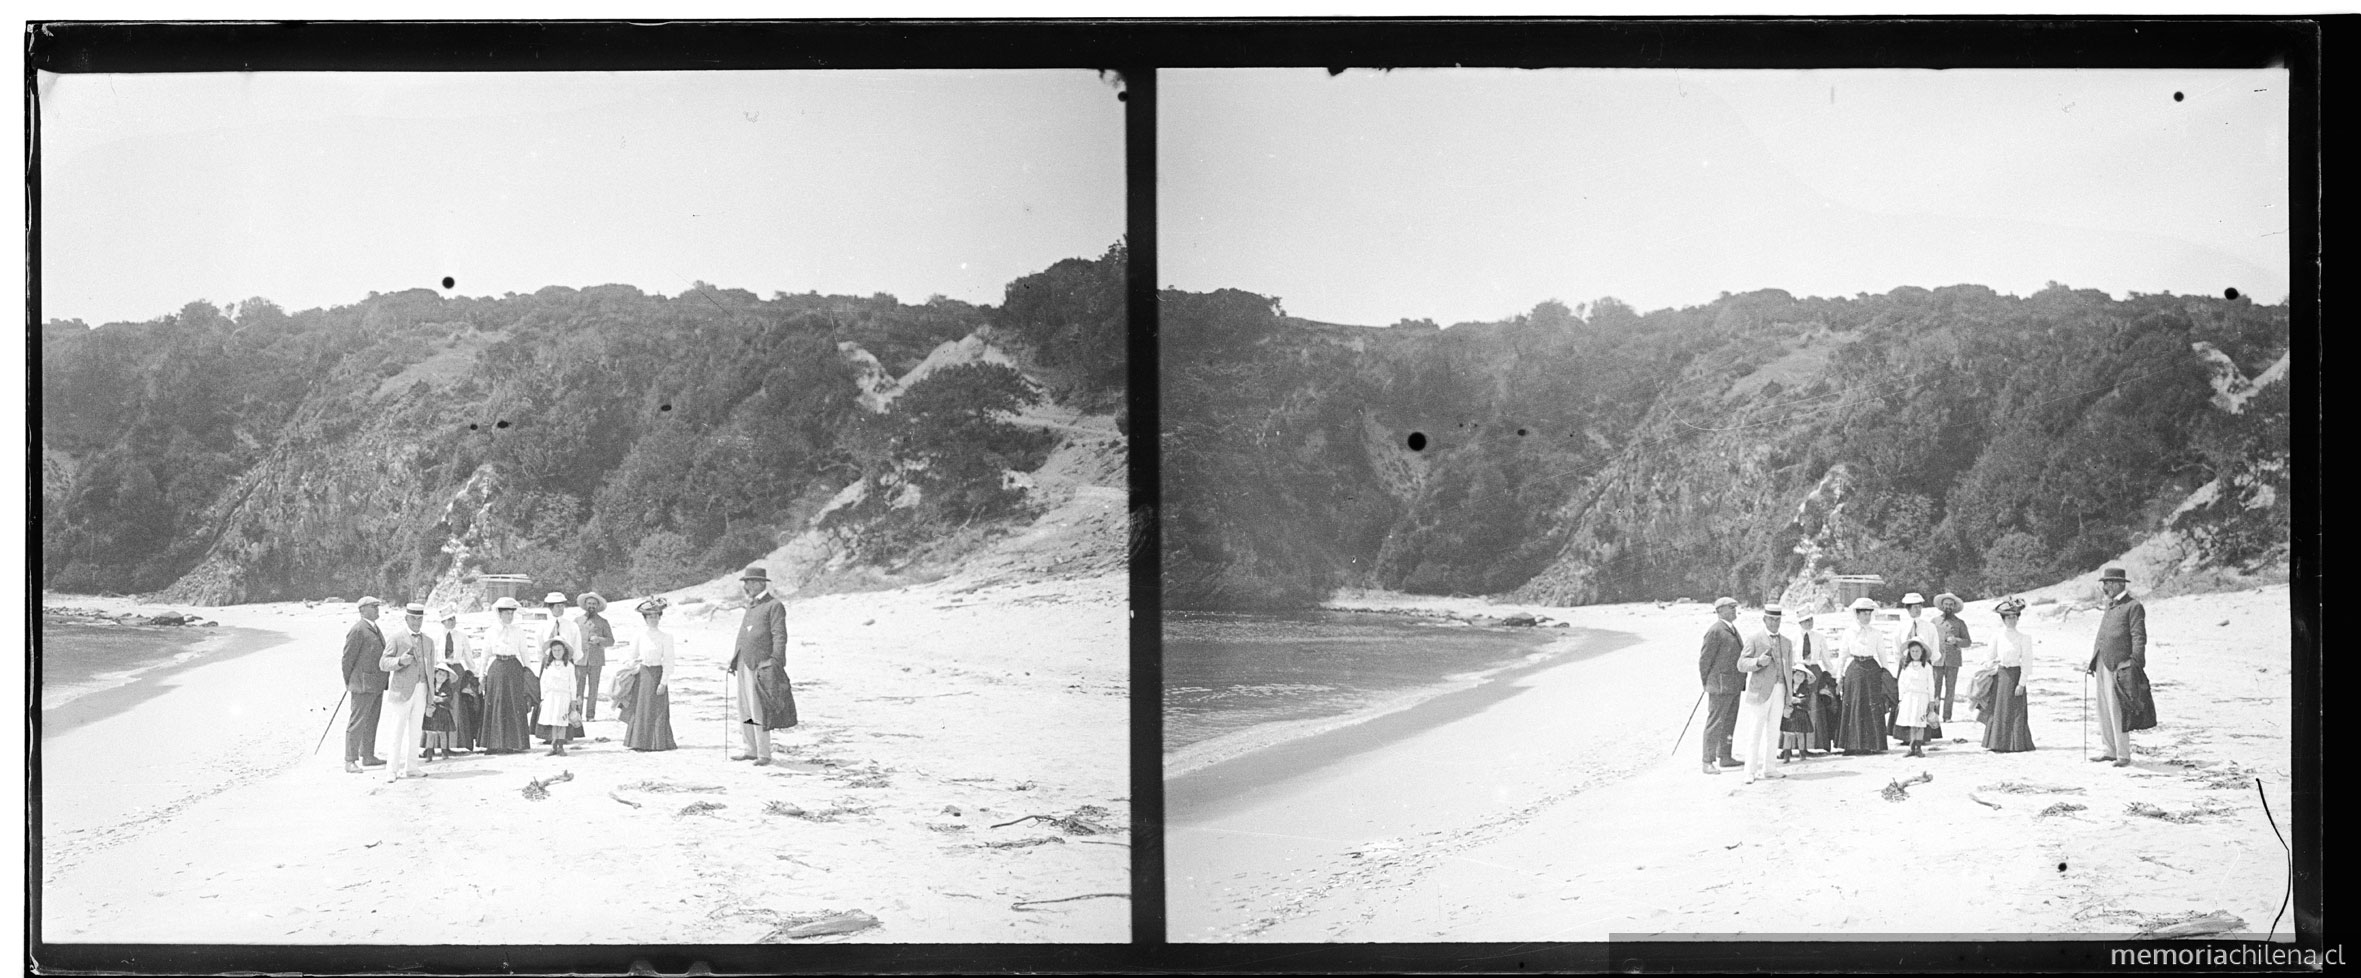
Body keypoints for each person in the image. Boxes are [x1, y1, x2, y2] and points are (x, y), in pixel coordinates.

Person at [727, 565, 799, 765]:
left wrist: (776, 661)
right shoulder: (752, 605)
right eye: (746, 582)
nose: (747, 586)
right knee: (745, 709)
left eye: (750, 582)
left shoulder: (774, 605)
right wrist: (734, 659)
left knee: (757, 709)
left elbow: (780, 636)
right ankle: (750, 749)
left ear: (760, 583)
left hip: (760, 664)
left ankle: (763, 753)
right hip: (743, 662)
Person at [2085, 567, 2156, 767]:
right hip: (2101, 662)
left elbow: (2138, 636)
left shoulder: (2133, 606)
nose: (2105, 587)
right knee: (2103, 708)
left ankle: (2123, 754)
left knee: (2118, 710)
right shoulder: (2111, 605)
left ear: (2118, 584)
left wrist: (2135, 663)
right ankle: (2109, 750)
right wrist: (2093, 661)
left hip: (2120, 665)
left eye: (2107, 583)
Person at [1734, 605, 1795, 782]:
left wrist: (1789, 695)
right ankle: (1750, 772)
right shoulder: (1755, 639)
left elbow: (1789, 670)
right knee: (1755, 731)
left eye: (1778, 620)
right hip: (1760, 691)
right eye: (1771, 620)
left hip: (1780, 689)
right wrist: (1758, 662)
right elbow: (1741, 664)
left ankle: (1770, 768)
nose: (1775, 623)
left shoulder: (1786, 642)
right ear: (1764, 620)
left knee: (1774, 731)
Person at [379, 602, 434, 780]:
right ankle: (391, 771)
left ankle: (412, 767)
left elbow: (431, 668)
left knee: (416, 730)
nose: (417, 622)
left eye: (420, 619)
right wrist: (400, 661)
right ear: (406, 619)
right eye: (413, 618)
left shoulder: (428, 641)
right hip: (402, 691)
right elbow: (383, 663)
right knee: (397, 730)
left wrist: (431, 694)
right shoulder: (397, 638)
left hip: (422, 688)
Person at [478, 596, 540, 753]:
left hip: (514, 668)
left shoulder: (518, 631)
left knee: (513, 704)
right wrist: (481, 676)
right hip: (497, 669)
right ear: (499, 614)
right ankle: (494, 743)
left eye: (511, 614)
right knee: (496, 704)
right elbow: (485, 655)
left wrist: (529, 673)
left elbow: (524, 652)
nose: (509, 617)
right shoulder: (491, 632)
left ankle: (513, 743)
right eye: (506, 613)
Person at [1833, 597, 1892, 755]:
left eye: (1869, 613)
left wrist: (1886, 675)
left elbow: (1882, 654)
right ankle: (1852, 745)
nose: (1867, 617)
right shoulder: (1848, 632)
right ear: (1857, 614)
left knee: (1872, 705)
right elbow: (1842, 655)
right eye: (1864, 614)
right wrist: (1839, 676)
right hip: (1855, 670)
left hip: (1872, 669)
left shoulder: (1876, 633)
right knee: (1854, 705)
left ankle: (1873, 744)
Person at [1695, 596, 1747, 775]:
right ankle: (1707, 761)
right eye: (1731, 607)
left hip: (1734, 685)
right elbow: (1704, 661)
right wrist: (1707, 683)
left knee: (1729, 722)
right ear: (1720, 611)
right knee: (1715, 723)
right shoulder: (1715, 631)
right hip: (1720, 686)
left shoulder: (1731, 629)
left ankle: (1725, 756)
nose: (1734, 610)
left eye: (1735, 607)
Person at [340, 596, 390, 773]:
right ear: (362, 610)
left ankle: (367, 756)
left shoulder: (374, 628)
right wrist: (350, 682)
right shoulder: (358, 630)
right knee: (357, 723)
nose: (377, 609)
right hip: (362, 685)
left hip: (376, 684)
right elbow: (347, 660)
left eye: (377, 606)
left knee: (372, 721)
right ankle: (350, 760)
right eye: (373, 606)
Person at [1982, 596, 2037, 753]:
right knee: (1999, 709)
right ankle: (1997, 743)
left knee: (2016, 709)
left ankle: (2017, 743)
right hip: (2000, 675)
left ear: (2018, 618)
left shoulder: (2024, 638)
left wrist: (2022, 683)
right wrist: (1989, 665)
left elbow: (2027, 661)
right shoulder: (1997, 636)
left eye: (2014, 617)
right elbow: (1989, 656)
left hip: (2015, 674)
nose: (2011, 620)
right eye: (2008, 617)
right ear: (2003, 619)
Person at [624, 596, 678, 751]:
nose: (653, 619)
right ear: (645, 618)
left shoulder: (666, 637)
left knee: (658, 708)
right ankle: (639, 742)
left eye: (656, 616)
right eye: (650, 616)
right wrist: (632, 666)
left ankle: (658, 742)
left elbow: (669, 660)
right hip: (642, 674)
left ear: (660, 617)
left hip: (657, 674)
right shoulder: (639, 636)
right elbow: (631, 657)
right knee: (641, 708)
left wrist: (663, 682)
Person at [533, 592, 585, 742]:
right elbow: (539, 647)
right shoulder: (542, 626)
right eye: (557, 606)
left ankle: (567, 734)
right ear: (550, 607)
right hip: (549, 664)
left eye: (562, 605)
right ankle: (547, 735)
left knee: (566, 697)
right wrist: (544, 661)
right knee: (549, 699)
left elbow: (577, 646)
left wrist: (571, 663)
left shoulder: (572, 626)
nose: (560, 609)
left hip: (567, 664)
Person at [432, 608, 481, 753]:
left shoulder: (461, 636)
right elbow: (433, 655)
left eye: (453, 618)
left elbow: (468, 656)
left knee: (454, 704)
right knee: (438, 704)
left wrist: (475, 672)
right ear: (442, 621)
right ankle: (434, 745)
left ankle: (452, 743)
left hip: (457, 670)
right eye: (448, 619)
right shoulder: (436, 636)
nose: (451, 622)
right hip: (441, 670)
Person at [1795, 610, 1841, 755]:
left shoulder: (1819, 637)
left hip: (1814, 672)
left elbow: (1826, 659)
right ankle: (1795, 746)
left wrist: (1835, 675)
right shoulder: (1793, 637)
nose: (1808, 623)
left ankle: (1812, 744)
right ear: (1799, 623)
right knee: (1797, 706)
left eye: (1810, 619)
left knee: (1813, 705)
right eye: (1805, 620)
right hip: (1798, 671)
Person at [1893, 640, 1937, 757]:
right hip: (1909, 697)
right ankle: (1912, 747)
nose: (1915, 653)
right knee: (1912, 723)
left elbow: (1931, 684)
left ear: (1922, 652)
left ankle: (1919, 747)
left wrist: (1931, 700)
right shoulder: (1906, 666)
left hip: (1922, 696)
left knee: (1920, 723)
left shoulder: (1927, 667)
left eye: (1917, 651)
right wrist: (1901, 699)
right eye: (1912, 651)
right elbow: (1901, 683)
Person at [538, 638, 582, 756]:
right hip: (551, 696)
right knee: (554, 721)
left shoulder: (569, 666)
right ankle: (553, 746)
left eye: (559, 650)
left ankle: (561, 746)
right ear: (551, 651)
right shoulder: (549, 665)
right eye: (554, 650)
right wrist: (543, 697)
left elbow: (572, 683)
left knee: (562, 721)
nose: (557, 652)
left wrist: (573, 699)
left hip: (564, 696)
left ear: (564, 651)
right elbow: (543, 681)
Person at [1933, 593, 1973, 722]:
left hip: (1953, 660)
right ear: (1942, 606)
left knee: (1950, 689)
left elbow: (1968, 641)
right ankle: (1934, 715)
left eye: (1950, 605)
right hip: (1937, 660)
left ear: (1954, 607)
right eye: (1946, 604)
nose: (1948, 607)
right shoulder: (1934, 622)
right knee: (1935, 688)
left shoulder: (1960, 623)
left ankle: (1947, 716)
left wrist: (1956, 640)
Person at [576, 592, 613, 723]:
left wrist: (599, 639)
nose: (591, 606)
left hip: (596, 659)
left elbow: (611, 641)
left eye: (594, 604)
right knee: (578, 688)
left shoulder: (603, 622)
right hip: (580, 659)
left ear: (598, 606)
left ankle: (590, 715)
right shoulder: (577, 621)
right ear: (585, 605)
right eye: (589, 603)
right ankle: (577, 714)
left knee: (593, 688)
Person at [423, 660, 457, 761]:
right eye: (439, 674)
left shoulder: (447, 688)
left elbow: (449, 698)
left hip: (442, 712)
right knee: (430, 734)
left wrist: (441, 699)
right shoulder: (430, 686)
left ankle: (444, 752)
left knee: (442, 733)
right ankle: (429, 753)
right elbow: (425, 696)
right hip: (432, 712)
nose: (441, 677)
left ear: (447, 678)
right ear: (434, 675)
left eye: (444, 675)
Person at [1779, 666, 1815, 763]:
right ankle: (1786, 755)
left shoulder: (1805, 689)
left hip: (1800, 713)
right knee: (1788, 734)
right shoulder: (1788, 687)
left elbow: (1807, 700)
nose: (1799, 677)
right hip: (1789, 713)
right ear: (1793, 676)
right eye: (1797, 675)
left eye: (1802, 676)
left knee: (1800, 734)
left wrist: (1798, 700)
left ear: (1804, 678)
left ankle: (1802, 754)